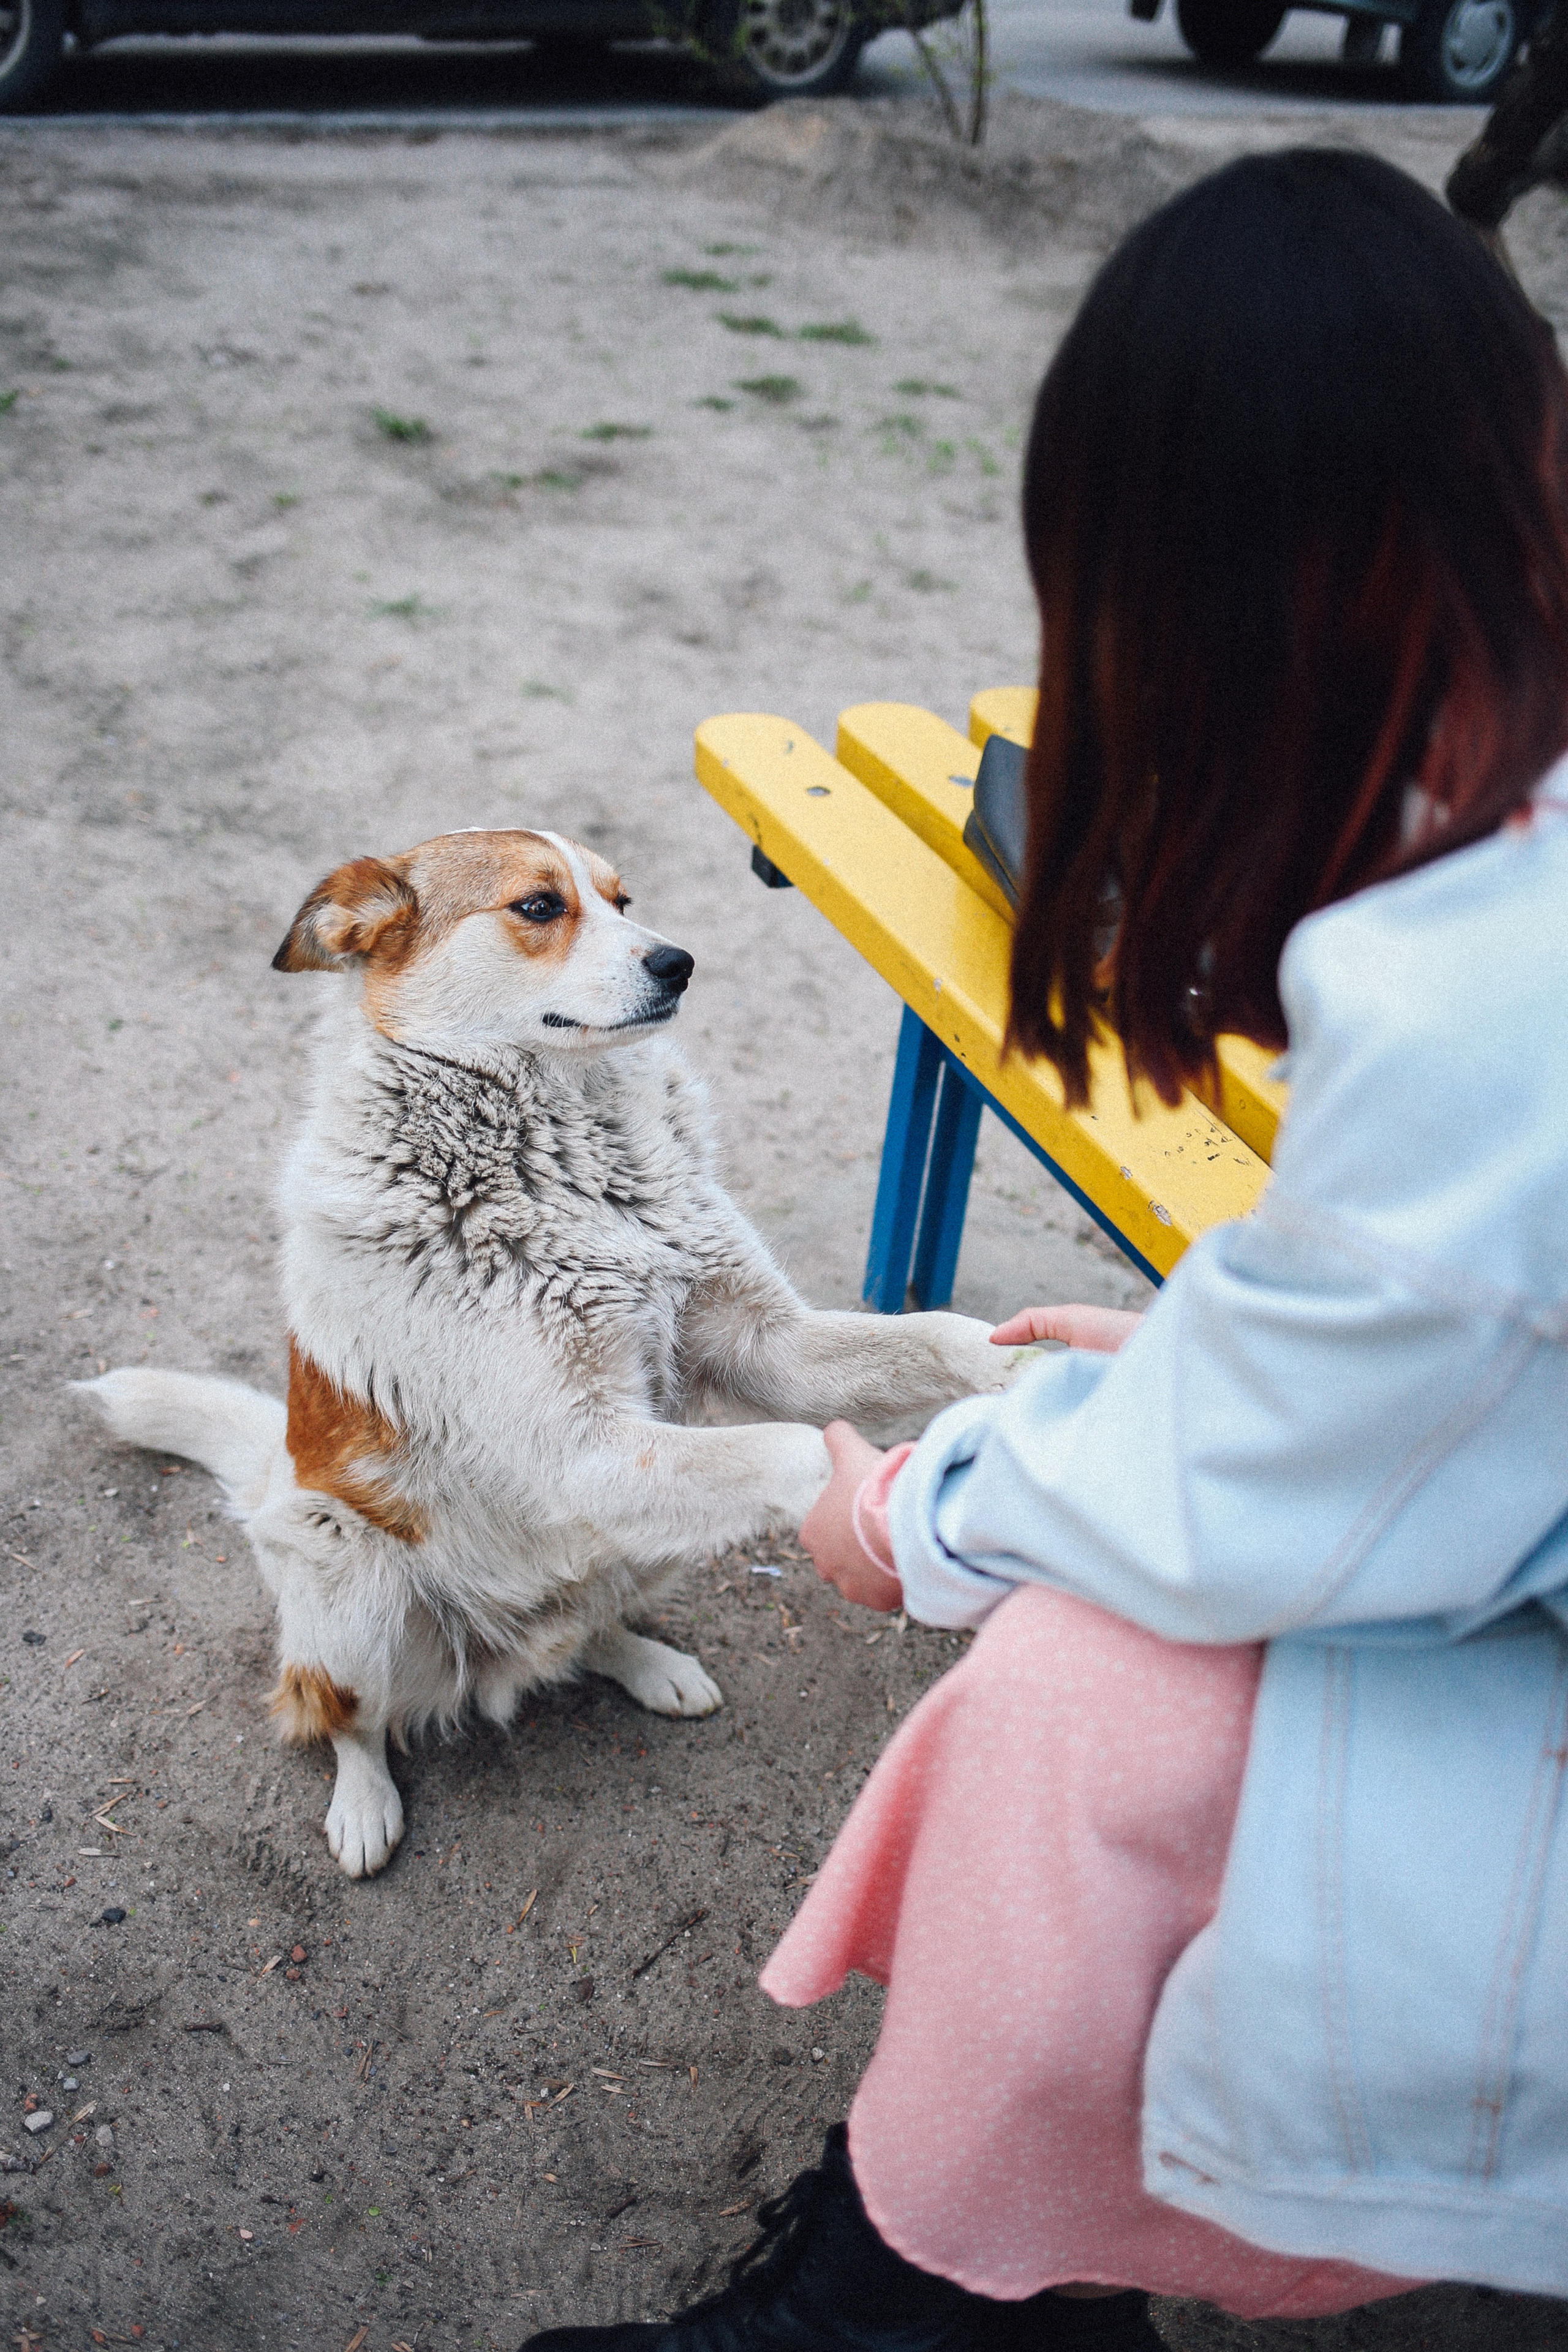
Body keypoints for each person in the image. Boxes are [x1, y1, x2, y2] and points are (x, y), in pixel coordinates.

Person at [522, 146, 1568, 2351]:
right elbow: (1431, 1379)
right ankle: (977, 2267)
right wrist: (1242, 1362)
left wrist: (908, 1511)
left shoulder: (1501, 990)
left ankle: (929, 2296)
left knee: (1079, 1698)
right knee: (1109, 1670)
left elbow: (1251, 1485)